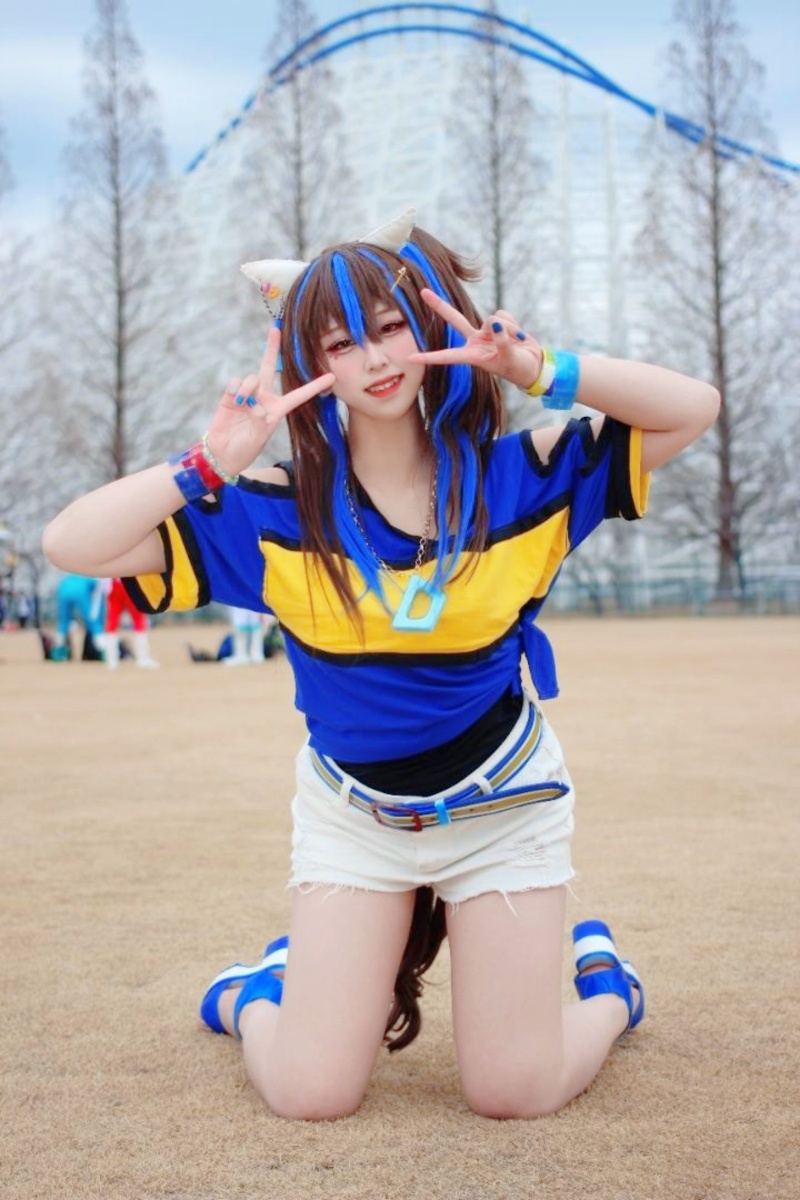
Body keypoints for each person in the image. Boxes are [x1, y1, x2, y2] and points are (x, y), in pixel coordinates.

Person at [42, 210, 719, 1121]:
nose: (374, 357)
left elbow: (694, 407)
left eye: (391, 326)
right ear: (313, 364)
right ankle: (256, 995)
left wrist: (540, 370)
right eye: (341, 342)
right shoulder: (275, 511)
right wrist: (207, 463)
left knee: (512, 1091)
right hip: (354, 818)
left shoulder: (522, 477)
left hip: (502, 808)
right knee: (311, 1094)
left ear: (427, 327)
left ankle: (609, 992)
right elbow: (71, 544)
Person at [100, 577, 159, 669]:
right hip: (130, 583)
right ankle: (142, 659)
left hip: (114, 584)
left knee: (112, 622)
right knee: (139, 621)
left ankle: (112, 660)